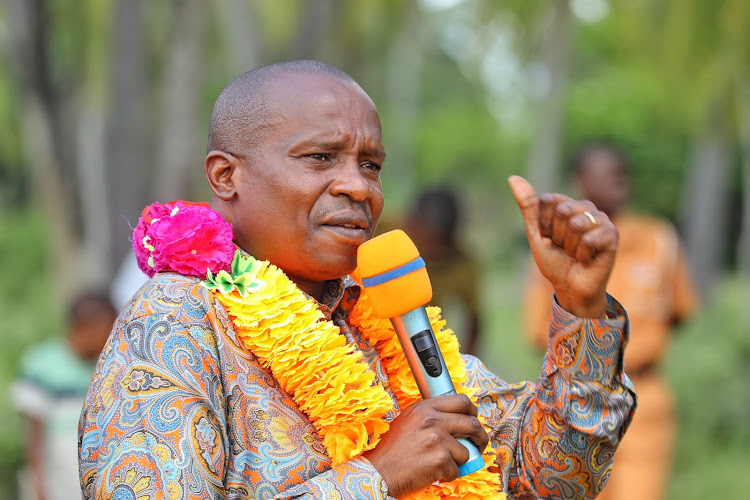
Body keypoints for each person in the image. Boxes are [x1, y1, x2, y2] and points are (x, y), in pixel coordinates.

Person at [78, 61, 635, 499]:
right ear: (227, 176)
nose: (360, 188)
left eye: (371, 165)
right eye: (320, 158)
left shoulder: (391, 321)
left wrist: (581, 307)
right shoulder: (175, 319)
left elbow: (550, 480)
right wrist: (380, 475)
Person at [523, 143, 698, 500]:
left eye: (622, 172)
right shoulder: (558, 246)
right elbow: (539, 328)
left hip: (643, 399)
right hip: (578, 403)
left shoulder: (658, 238)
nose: (619, 180)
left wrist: (633, 352)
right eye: (607, 173)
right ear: (581, 181)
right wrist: (594, 358)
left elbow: (680, 311)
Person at [12, 291, 115, 500]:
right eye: (108, 330)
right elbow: (34, 437)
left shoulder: (107, 367)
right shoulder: (42, 365)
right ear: (88, 327)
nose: (111, 337)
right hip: (58, 485)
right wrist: (38, 488)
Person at [404, 188, 481, 355]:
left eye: (441, 245)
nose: (435, 253)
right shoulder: (382, 235)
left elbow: (474, 321)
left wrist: (463, 365)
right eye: (429, 243)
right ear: (412, 224)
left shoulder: (462, 264)